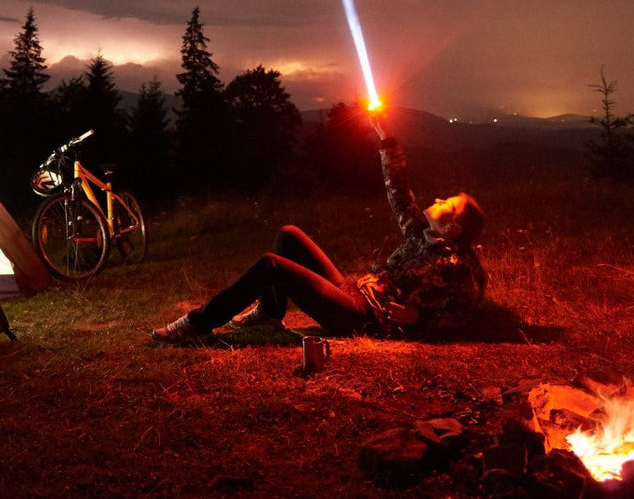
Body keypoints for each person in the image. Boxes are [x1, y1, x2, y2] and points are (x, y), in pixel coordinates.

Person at [152, 116, 486, 344]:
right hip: (357, 292)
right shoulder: (420, 233)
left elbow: (463, 316)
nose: (440, 198)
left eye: (449, 204)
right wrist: (386, 140)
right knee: (288, 235)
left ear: (454, 228)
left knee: (272, 264)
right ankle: (270, 313)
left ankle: (197, 324)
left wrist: (419, 320)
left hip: (363, 318)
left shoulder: (457, 267)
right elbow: (398, 192)